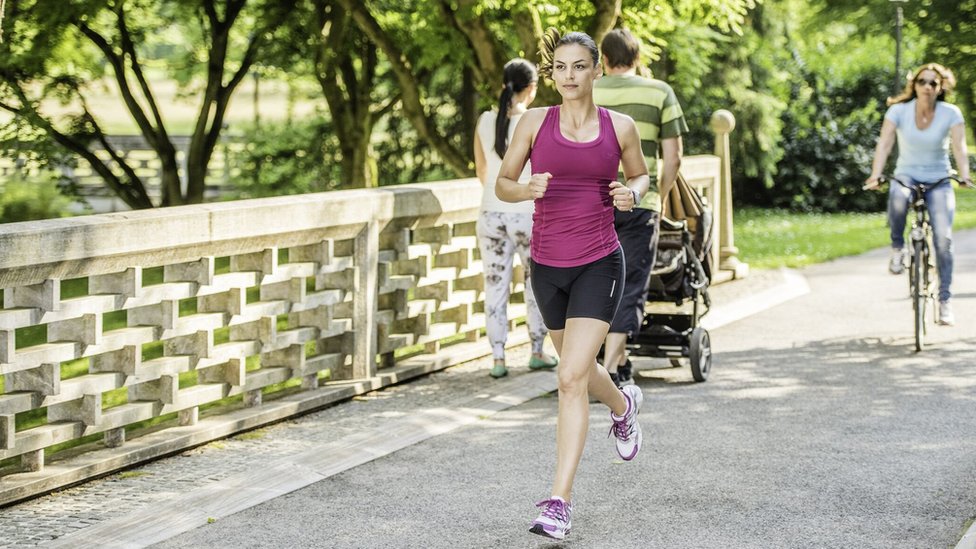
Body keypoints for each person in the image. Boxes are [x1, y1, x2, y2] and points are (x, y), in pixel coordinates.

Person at [495, 27, 650, 540]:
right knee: (574, 373)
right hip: (548, 266)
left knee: (567, 382)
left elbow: (642, 175)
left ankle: (558, 501)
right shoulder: (535, 124)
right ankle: (624, 405)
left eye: (578, 66)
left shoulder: (621, 126)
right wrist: (525, 189)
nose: (568, 76)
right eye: (559, 68)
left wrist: (631, 192)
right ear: (551, 73)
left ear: (596, 69)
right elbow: (503, 182)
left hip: (599, 262)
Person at [593, 28, 688, 386]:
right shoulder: (659, 92)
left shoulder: (588, 91)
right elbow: (673, 157)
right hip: (637, 201)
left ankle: (595, 360)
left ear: (603, 59)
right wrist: (659, 196)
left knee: (593, 282)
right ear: (638, 57)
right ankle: (614, 366)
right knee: (630, 281)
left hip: (591, 203)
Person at [864, 62, 971, 325]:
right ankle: (898, 249)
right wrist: (876, 173)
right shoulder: (898, 111)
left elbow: (959, 146)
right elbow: (885, 143)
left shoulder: (951, 113)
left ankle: (944, 300)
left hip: (939, 178)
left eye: (932, 83)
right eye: (922, 82)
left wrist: (964, 174)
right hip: (907, 174)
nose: (926, 87)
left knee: (944, 240)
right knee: (897, 196)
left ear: (941, 87)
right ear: (914, 85)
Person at [473, 58, 559, 378]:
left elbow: (482, 171)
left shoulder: (484, 120)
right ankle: (537, 350)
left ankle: (498, 358)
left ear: (503, 86)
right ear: (532, 89)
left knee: (495, 283)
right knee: (535, 283)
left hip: (490, 213)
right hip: (527, 214)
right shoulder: (536, 122)